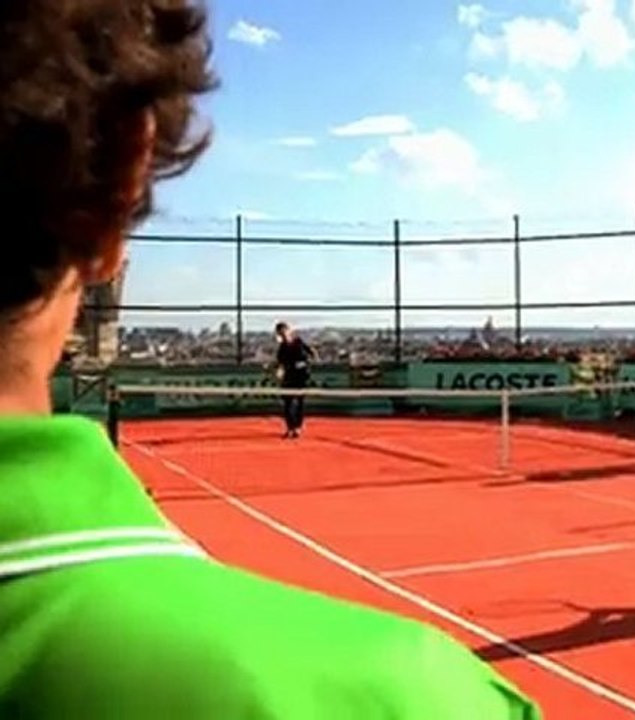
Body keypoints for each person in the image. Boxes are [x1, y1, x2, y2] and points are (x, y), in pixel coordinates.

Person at [0, 3, 540, 718]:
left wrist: (295, 371)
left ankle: (292, 420)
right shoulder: (410, 692)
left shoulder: (298, 346)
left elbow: (303, 359)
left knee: (293, 406)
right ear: (123, 178)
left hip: (295, 385)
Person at [275, 321, 314, 438]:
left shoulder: (299, 342)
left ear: (289, 331)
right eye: (280, 334)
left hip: (301, 377)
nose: (283, 335)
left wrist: (307, 363)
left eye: (284, 332)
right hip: (289, 378)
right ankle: (290, 427)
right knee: (288, 403)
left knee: (300, 403)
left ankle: (297, 427)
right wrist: (280, 372)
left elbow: (311, 353)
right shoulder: (282, 348)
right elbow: (281, 364)